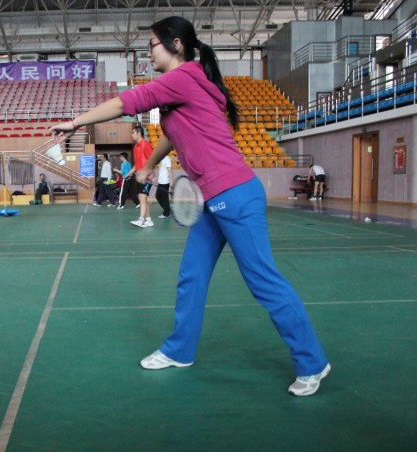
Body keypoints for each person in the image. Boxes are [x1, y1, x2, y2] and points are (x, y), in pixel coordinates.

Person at [50, 16, 330, 396]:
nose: (148, 52)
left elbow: (125, 102)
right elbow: (171, 134)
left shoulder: (182, 77)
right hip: (215, 198)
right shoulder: (190, 84)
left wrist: (75, 122)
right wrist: (148, 165)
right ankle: (179, 350)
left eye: (152, 44)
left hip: (235, 194)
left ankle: (312, 362)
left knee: (264, 282)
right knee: (192, 276)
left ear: (176, 44)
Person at [130, 125, 154, 227]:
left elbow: (152, 161)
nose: (132, 135)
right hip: (140, 178)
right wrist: (129, 173)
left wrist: (151, 175)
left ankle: (141, 220)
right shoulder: (136, 147)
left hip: (146, 178)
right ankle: (149, 220)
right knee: (143, 199)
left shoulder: (146, 144)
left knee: (142, 197)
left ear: (139, 133)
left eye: (133, 133)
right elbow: (137, 164)